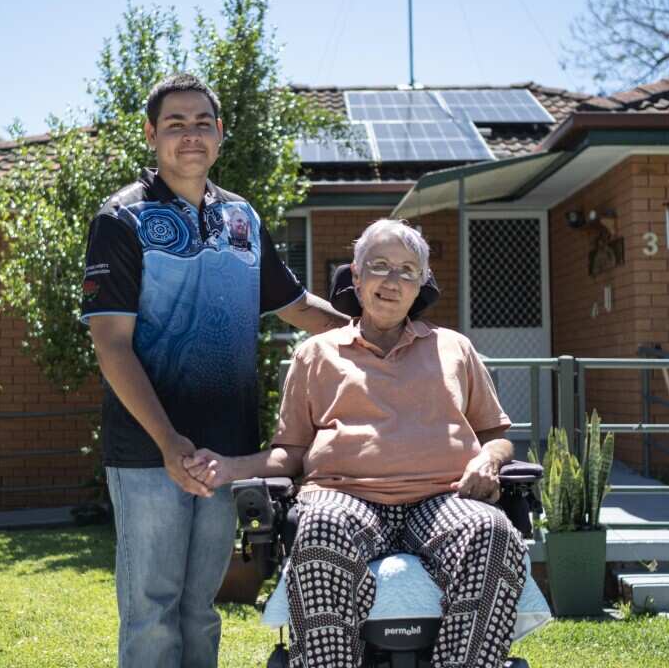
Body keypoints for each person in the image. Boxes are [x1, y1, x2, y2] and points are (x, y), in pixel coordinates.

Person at [81, 73, 348, 668]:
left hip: (226, 453)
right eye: (175, 124)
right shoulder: (121, 220)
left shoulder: (242, 220)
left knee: (201, 608)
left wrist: (376, 334)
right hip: (150, 453)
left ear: (221, 134)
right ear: (152, 135)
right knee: (151, 612)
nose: (190, 135)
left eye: (202, 122)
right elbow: (112, 347)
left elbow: (298, 306)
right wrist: (170, 442)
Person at [186, 218, 528, 668]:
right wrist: (230, 468)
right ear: (357, 274)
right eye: (380, 266)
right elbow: (291, 453)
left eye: (407, 270)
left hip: (442, 497)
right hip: (343, 496)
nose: (393, 281)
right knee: (320, 529)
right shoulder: (316, 354)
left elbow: (496, 437)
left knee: (493, 533)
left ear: (422, 282)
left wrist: (487, 460)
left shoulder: (454, 348)